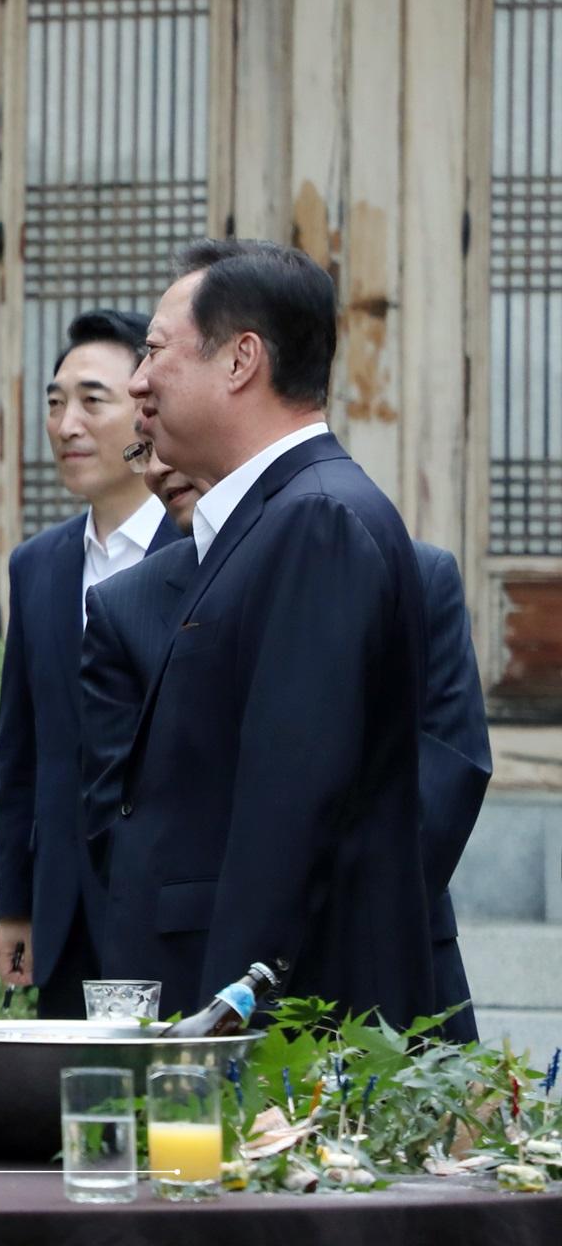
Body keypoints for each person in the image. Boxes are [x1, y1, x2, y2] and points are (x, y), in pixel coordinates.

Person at [86, 238, 436, 1027]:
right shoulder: (266, 520)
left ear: (241, 360)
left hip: (269, 1029)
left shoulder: (317, 520)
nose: (139, 381)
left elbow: (289, 814)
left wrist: (224, 1027)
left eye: (156, 351)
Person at [85, 433, 491, 1038]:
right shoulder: (128, 604)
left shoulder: (415, 571)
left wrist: (349, 908)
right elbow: (113, 813)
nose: (162, 466)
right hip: (200, 964)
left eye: (174, 436)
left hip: (383, 965)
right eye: (144, 448)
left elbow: (450, 763)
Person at [0, 308, 182, 1018]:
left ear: (147, 408)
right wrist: (17, 906)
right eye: (54, 402)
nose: (66, 424)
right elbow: (23, 756)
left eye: (92, 401)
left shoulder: (201, 553)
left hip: (166, 908)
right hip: (64, 913)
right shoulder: (38, 566)